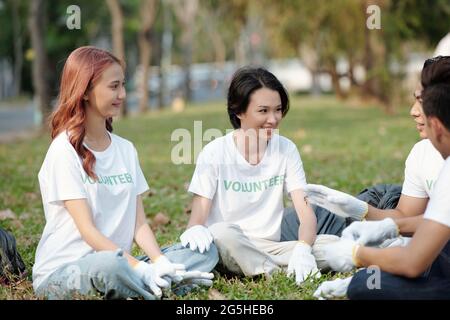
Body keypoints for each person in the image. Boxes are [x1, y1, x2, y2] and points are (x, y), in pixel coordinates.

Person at [32, 46, 218, 300]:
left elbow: (138, 223)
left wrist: (159, 260)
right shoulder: (64, 150)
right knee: (110, 266)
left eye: (123, 85)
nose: (122, 94)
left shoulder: (125, 149)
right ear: (85, 90)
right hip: (70, 270)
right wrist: (141, 268)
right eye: (113, 86)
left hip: (123, 264)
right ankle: (154, 284)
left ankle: (151, 282)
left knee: (205, 252)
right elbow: (88, 232)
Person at [313, 56, 450, 300]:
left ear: (437, 125)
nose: (413, 112)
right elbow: (436, 223)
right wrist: (388, 225)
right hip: (411, 223)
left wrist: (356, 255)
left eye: (421, 104)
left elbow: (412, 262)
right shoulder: (426, 155)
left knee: (365, 285)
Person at [178, 66, 326, 285]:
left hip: (270, 246)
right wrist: (194, 232)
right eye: (263, 111)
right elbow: (197, 222)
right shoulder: (215, 152)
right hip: (228, 245)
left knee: (330, 246)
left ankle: (272, 265)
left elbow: (305, 214)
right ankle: (276, 271)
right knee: (221, 232)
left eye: (278, 110)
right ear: (239, 111)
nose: (273, 119)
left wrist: (303, 249)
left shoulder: (286, 149)